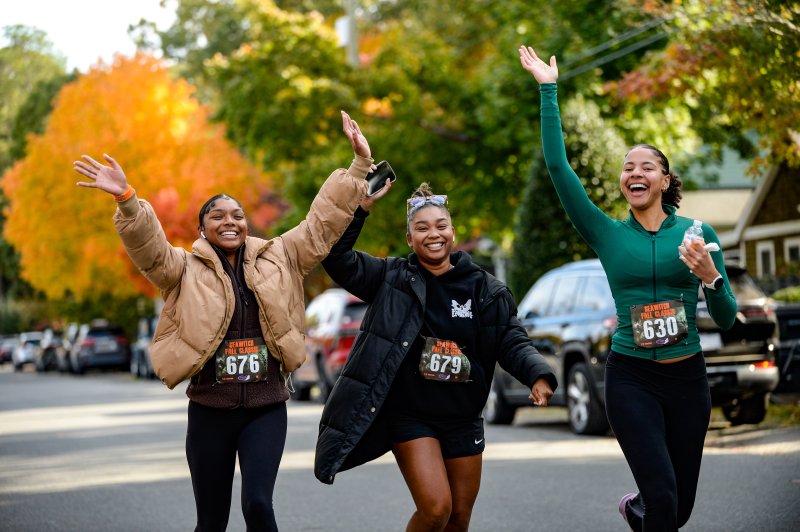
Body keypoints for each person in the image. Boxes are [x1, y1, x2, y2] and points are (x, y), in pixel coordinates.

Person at [72, 111, 373, 532]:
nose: (229, 221)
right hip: (209, 409)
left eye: (236, 215)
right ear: (201, 229)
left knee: (257, 505)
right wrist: (127, 200)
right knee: (211, 521)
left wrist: (358, 166)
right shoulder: (181, 268)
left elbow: (321, 224)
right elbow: (150, 250)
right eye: (218, 216)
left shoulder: (281, 255)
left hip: (266, 406)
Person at [518, 45, 737, 531]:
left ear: (664, 180)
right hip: (631, 378)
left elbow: (725, 318)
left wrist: (710, 278)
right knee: (662, 497)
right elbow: (559, 168)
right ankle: (647, 507)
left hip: (687, 380)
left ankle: (635, 511)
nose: (634, 172)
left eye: (646, 167)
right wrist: (549, 91)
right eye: (627, 168)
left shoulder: (698, 235)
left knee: (677, 509)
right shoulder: (606, 233)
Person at [314, 179, 557, 531]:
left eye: (441, 226)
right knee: (436, 509)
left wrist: (538, 374)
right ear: (410, 239)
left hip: (463, 416)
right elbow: (336, 258)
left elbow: (511, 339)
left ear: (453, 234)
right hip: (411, 416)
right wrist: (360, 209)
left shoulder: (486, 289)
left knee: (459, 518)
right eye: (422, 228)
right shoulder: (390, 278)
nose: (433, 234)